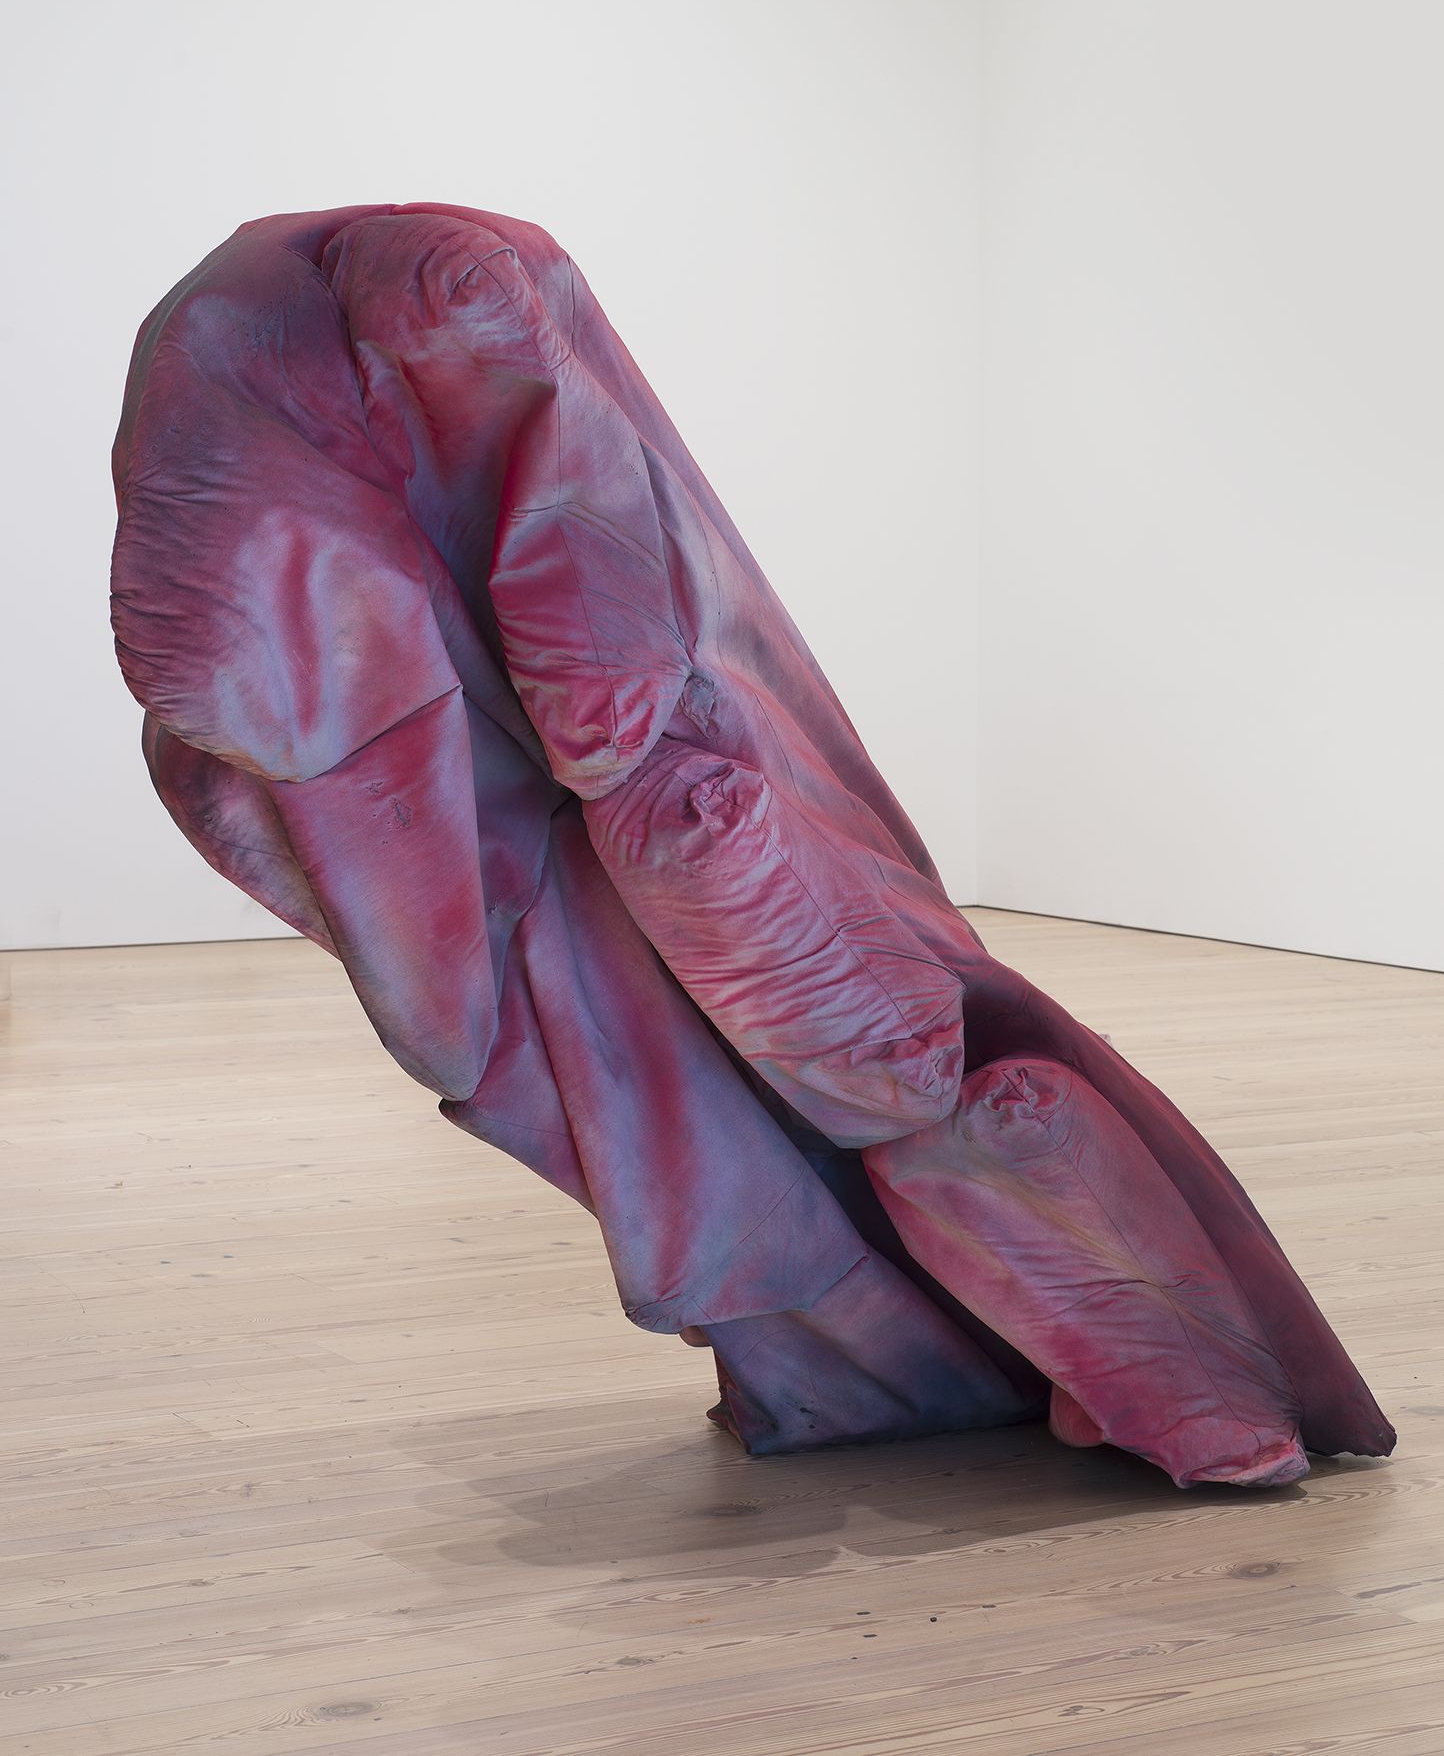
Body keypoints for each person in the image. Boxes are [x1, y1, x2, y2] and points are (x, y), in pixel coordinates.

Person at [110, 202, 1394, 1487]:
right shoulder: (362, 331)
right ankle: (1048, 1372)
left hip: (665, 796)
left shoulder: (377, 309)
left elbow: (570, 657)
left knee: (857, 1068)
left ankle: (1137, 1377)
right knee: (776, 1075)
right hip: (621, 789)